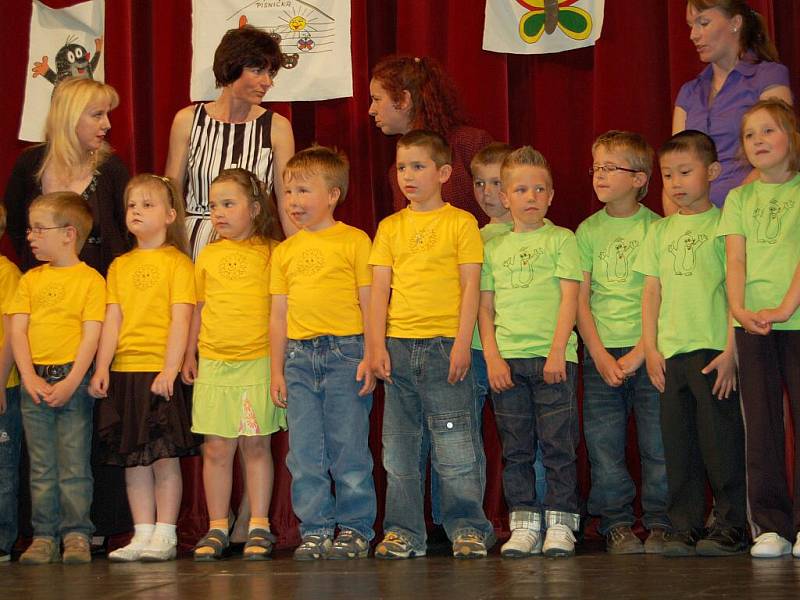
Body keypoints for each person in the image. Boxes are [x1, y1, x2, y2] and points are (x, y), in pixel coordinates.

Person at [369, 130, 494, 559]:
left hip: (445, 346)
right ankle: (404, 531)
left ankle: (468, 527)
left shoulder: (460, 223)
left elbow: (470, 286)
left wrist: (463, 343)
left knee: (455, 445)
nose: (408, 175)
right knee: (399, 450)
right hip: (399, 347)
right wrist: (376, 345)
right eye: (402, 167)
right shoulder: (390, 227)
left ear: (442, 173)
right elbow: (379, 291)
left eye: (418, 166)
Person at [636, 130, 746, 557]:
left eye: (686, 171)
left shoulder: (725, 225)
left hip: (713, 351)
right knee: (677, 444)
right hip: (671, 353)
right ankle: (683, 525)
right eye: (668, 175)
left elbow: (737, 290)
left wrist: (730, 350)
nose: (677, 182)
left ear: (712, 171)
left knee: (721, 443)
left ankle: (730, 523)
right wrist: (650, 348)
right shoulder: (660, 231)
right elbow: (651, 293)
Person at [270, 146, 376, 560]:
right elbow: (278, 315)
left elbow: (369, 302)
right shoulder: (284, 251)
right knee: (305, 453)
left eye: (303, 191)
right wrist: (276, 370)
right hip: (298, 358)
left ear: (332, 195)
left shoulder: (354, 240)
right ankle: (314, 528)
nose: (294, 201)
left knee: (349, 447)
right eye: (289, 192)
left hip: (345, 353)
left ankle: (354, 528)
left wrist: (371, 352)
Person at [478, 146, 582, 558]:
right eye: (521, 189)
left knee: (558, 445)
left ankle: (560, 521)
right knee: (516, 446)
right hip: (508, 361)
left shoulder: (562, 239)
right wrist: (492, 357)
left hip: (553, 360)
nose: (531, 197)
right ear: (505, 197)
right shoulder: (493, 248)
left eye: (540, 189)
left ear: (552, 196)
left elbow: (569, 299)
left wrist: (558, 350)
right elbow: (484, 309)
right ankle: (523, 522)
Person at [89, 175, 197, 562]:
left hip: (158, 370)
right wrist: (103, 366)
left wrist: (170, 369)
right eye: (132, 204)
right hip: (125, 370)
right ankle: (143, 532)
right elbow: (112, 319)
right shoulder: (119, 265)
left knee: (163, 455)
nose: (136, 211)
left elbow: (181, 319)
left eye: (147, 205)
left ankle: (166, 533)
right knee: (132, 456)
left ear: (169, 215)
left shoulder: (178, 263)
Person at [182, 168, 286, 561]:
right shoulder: (208, 254)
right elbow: (198, 308)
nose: (218, 213)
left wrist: (278, 365)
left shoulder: (272, 252)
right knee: (216, 449)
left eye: (228, 204)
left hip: (257, 361)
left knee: (256, 445)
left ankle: (259, 523)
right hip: (214, 363)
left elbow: (281, 313)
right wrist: (190, 353)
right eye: (213, 206)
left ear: (255, 208)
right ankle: (217, 527)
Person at [575, 131, 669, 554]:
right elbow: (581, 299)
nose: (600, 175)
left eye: (611, 168)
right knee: (604, 444)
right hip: (601, 355)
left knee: (657, 443)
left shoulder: (658, 228)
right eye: (596, 167)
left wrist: (640, 353)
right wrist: (597, 353)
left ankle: (661, 521)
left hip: (648, 352)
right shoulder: (587, 230)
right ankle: (615, 522)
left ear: (640, 178)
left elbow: (665, 297)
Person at [718, 99, 800, 558]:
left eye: (768, 131)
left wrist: (787, 306)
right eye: (750, 135)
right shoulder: (740, 198)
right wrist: (739, 308)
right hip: (753, 325)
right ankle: (771, 525)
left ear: (790, 135)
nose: (759, 141)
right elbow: (735, 258)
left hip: (795, 318)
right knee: (762, 425)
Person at [6, 192, 105, 564]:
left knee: (74, 463)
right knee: (42, 465)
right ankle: (44, 535)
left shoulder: (91, 280)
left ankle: (77, 533)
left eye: (37, 229)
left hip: (71, 381)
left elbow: (91, 335)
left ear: (68, 233)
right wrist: (28, 377)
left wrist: (72, 380)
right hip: (35, 382)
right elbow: (18, 331)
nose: (29, 236)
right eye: (29, 229)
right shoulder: (30, 280)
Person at [165, 25, 297, 259]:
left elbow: (287, 204)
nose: (267, 82)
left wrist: (299, 256)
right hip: (194, 246)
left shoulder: (277, 127)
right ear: (231, 66)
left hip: (251, 247)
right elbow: (171, 197)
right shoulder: (187, 120)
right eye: (258, 71)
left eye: (271, 73)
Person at [668, 0, 792, 214]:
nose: (693, 35)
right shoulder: (688, 92)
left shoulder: (768, 76)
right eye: (691, 26)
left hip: (754, 213)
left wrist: (729, 216)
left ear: (735, 23)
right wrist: (679, 224)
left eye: (703, 23)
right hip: (698, 225)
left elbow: (778, 155)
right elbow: (673, 166)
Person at [4, 77, 130, 275]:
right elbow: (15, 223)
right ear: (70, 117)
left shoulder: (112, 168)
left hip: (100, 290)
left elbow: (128, 230)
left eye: (107, 114)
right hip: (41, 289)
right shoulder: (29, 163)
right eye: (97, 115)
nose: (107, 124)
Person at [368, 55, 492, 224]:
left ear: (404, 99)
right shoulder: (396, 171)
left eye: (376, 99)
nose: (371, 110)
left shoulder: (470, 143)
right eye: (403, 168)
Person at [0, 204, 22, 563]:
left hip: (6, 386)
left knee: (3, 468)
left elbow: (10, 333)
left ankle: (3, 540)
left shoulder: (7, 274)